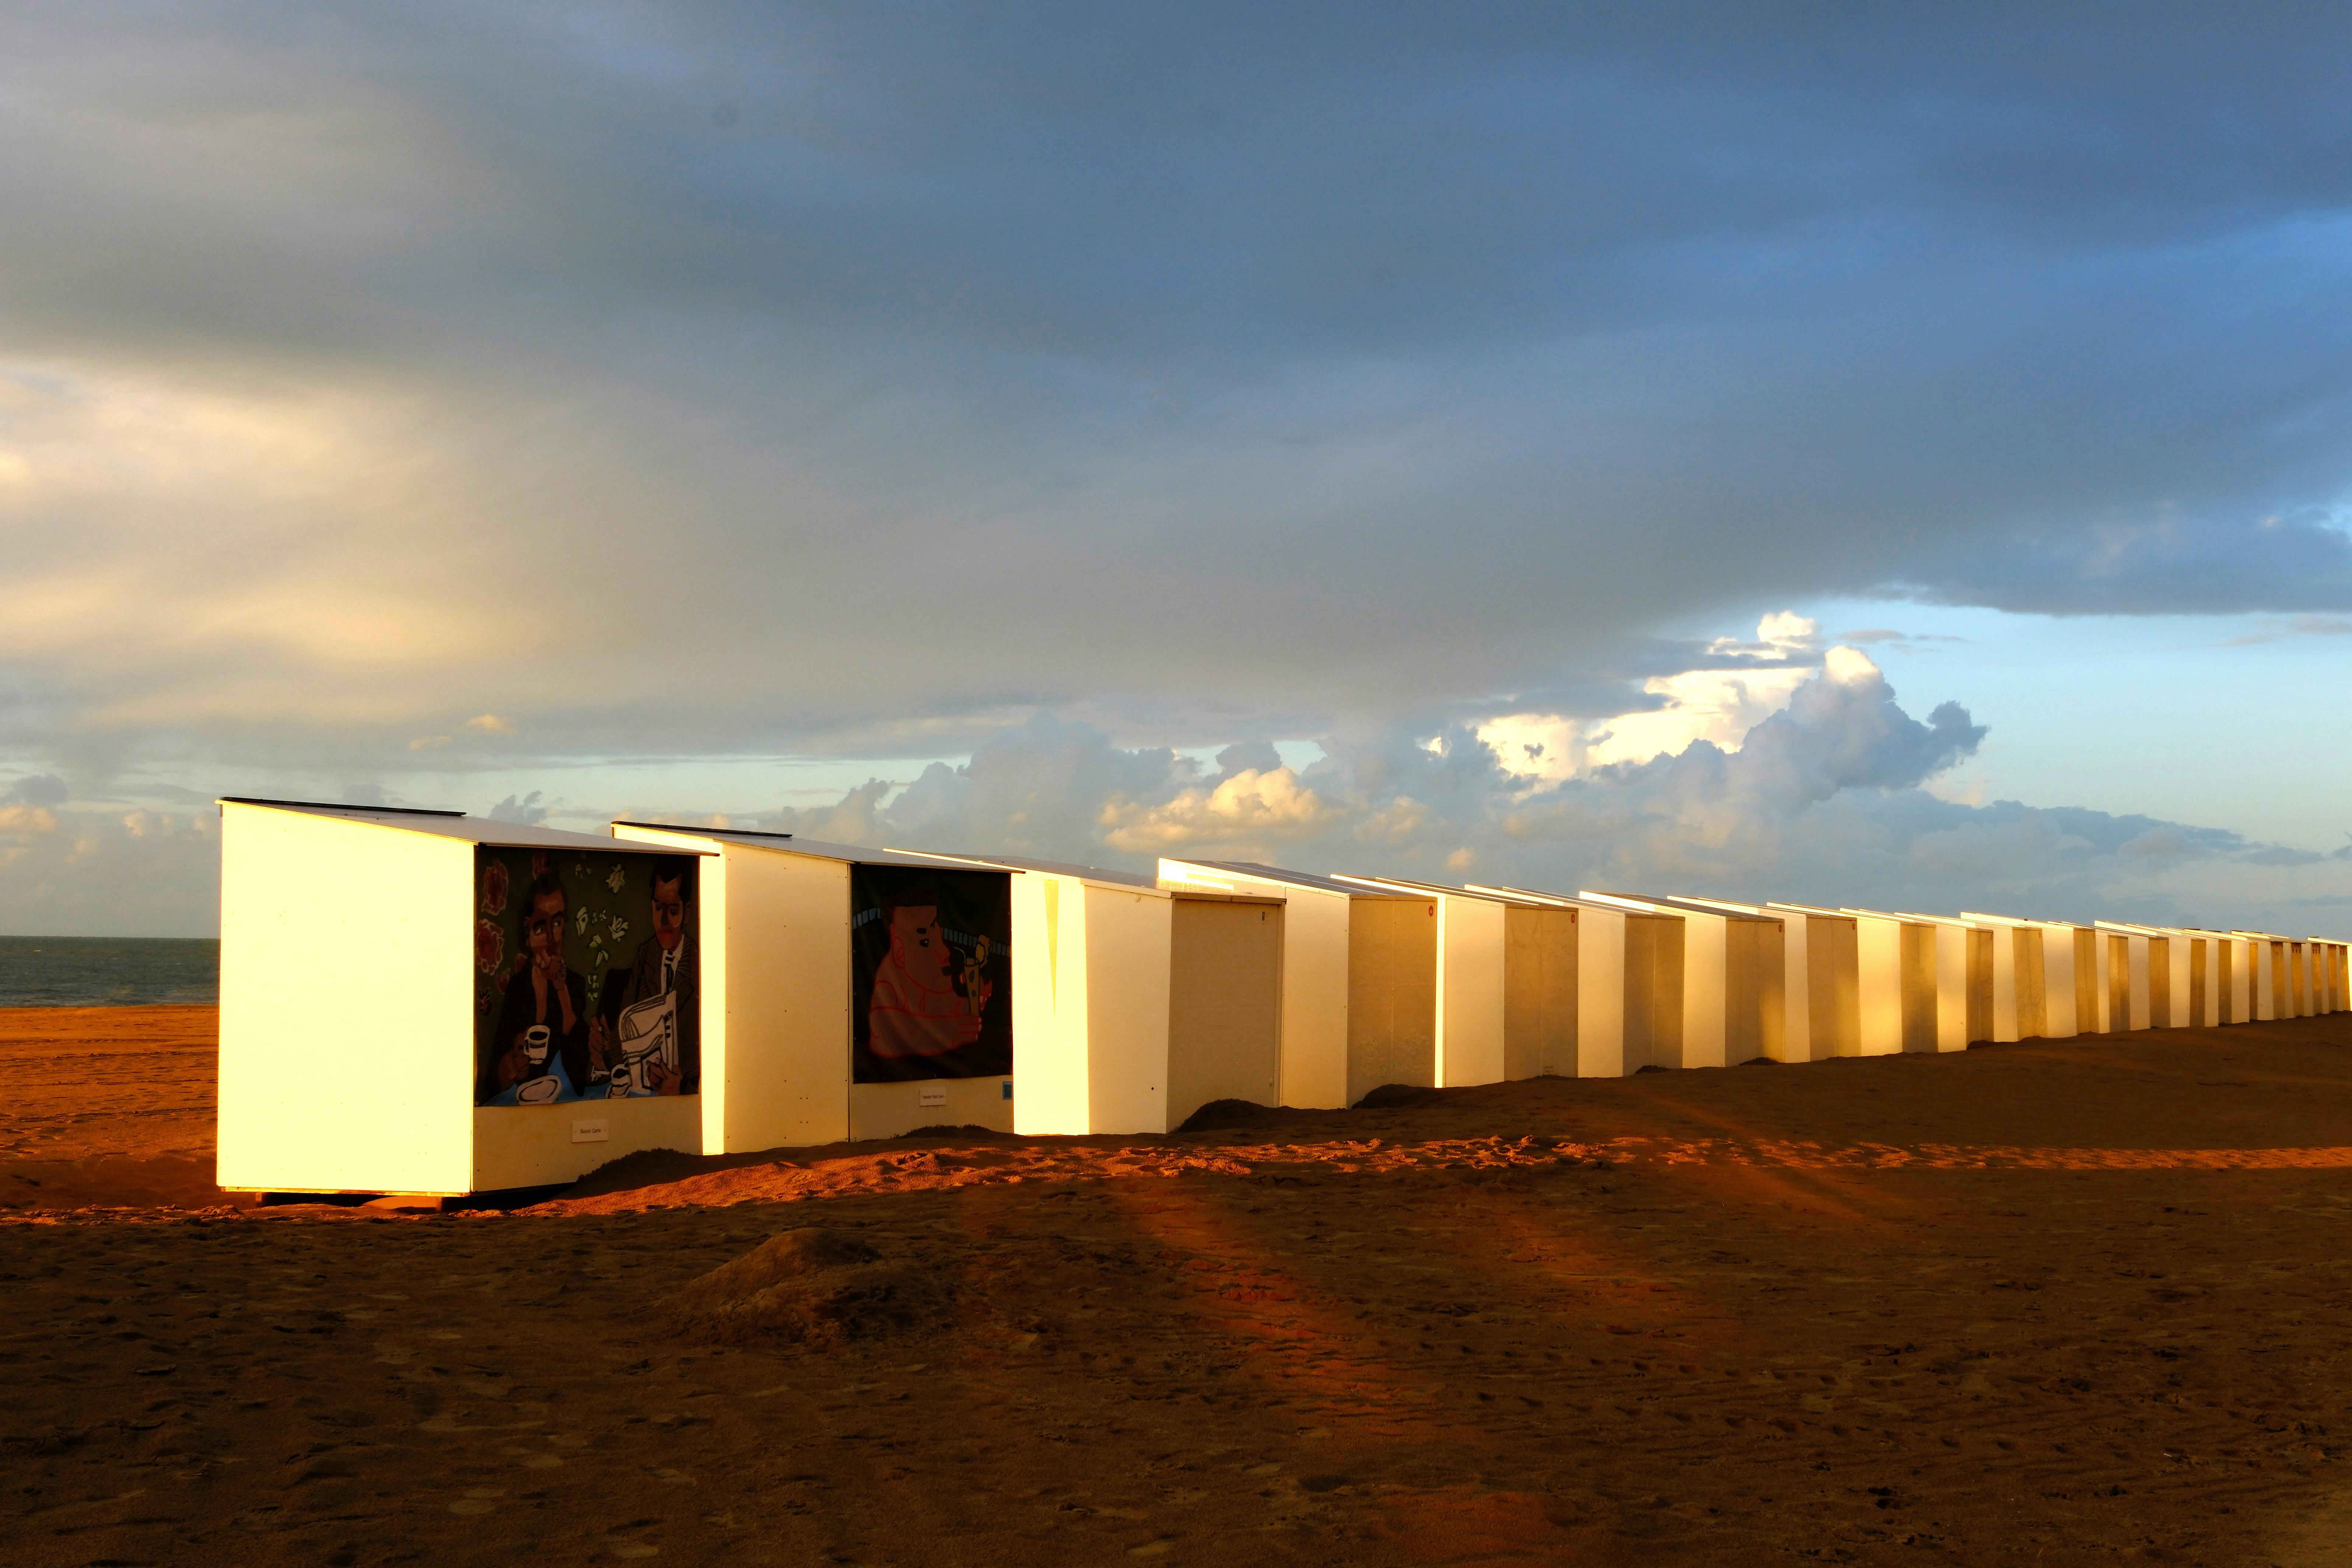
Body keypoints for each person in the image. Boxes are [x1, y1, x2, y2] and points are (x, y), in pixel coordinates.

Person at [484, 870, 592, 1099]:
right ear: (528, 934)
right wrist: (511, 1066)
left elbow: (583, 1067)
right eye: (541, 927)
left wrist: (561, 988)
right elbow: (493, 1082)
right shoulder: (518, 989)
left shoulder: (574, 984)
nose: (551, 938)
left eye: (557, 923)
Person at [598, 856, 699, 1095]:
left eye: (673, 911)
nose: (663, 921)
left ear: (687, 914)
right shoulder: (647, 954)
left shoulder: (700, 964)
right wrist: (606, 1047)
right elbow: (626, 1025)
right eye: (658, 909)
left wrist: (682, 1088)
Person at [867, 880, 991, 1058]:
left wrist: (976, 1000)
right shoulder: (889, 984)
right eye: (926, 942)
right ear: (900, 952)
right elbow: (883, 1034)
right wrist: (951, 1032)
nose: (944, 952)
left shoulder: (932, 979)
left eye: (937, 935)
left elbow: (952, 1006)